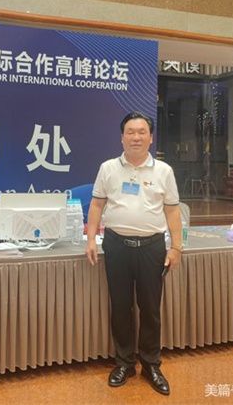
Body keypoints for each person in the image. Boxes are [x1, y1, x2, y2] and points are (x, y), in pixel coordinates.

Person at [85, 111, 182, 396]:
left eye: (142, 132)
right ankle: (125, 363)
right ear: (122, 137)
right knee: (120, 307)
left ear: (151, 138)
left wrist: (176, 247)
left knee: (150, 309)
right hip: (117, 246)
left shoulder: (164, 171)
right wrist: (91, 239)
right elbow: (96, 205)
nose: (136, 137)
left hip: (152, 247)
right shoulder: (108, 168)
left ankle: (151, 364)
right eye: (130, 132)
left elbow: (172, 211)